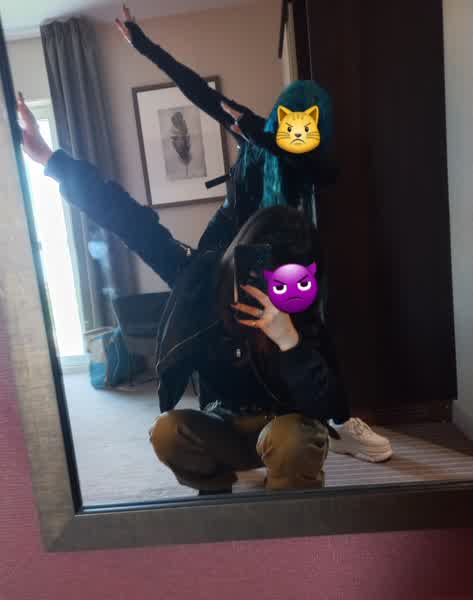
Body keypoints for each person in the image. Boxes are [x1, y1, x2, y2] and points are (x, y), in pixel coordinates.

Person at [17, 91, 392, 494]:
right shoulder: (200, 277)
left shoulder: (299, 308)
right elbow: (130, 221)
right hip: (224, 422)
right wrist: (51, 161)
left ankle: (289, 502)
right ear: (237, 256)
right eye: (257, 267)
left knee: (295, 441)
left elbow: (326, 406)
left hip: (286, 427)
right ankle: (217, 489)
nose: (270, 285)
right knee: (168, 431)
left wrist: (290, 342)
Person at [115, 6, 339, 255]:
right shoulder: (251, 127)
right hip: (225, 237)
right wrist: (144, 46)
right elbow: (197, 89)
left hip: (250, 246)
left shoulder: (289, 156)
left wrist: (257, 135)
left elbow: (320, 171)